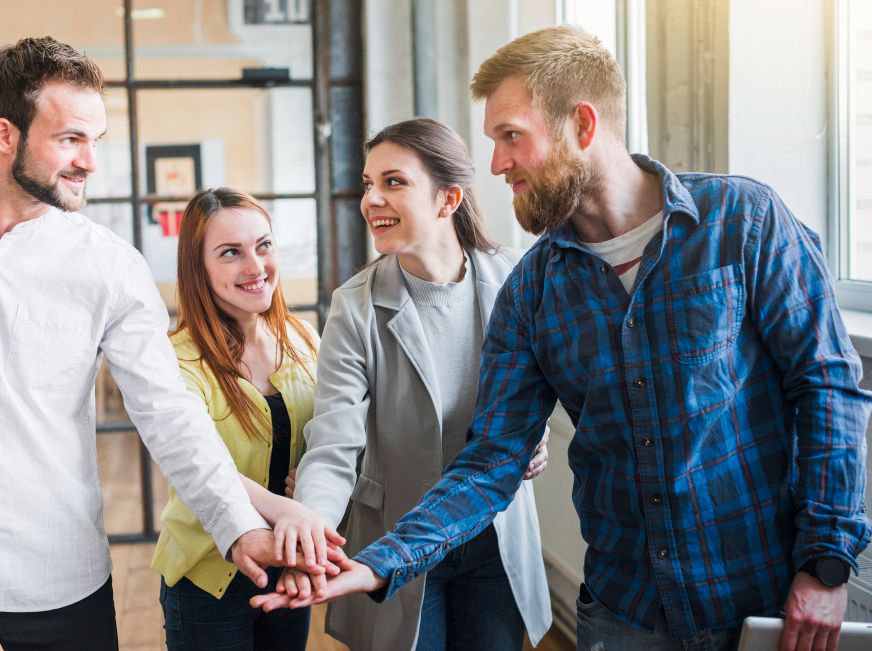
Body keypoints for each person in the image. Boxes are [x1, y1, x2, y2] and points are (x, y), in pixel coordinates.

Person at [253, 25, 872, 651]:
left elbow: (827, 387)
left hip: (762, 597)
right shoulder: (531, 290)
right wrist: (380, 562)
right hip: (625, 611)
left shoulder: (743, 221)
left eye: (511, 136)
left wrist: (826, 562)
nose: (497, 164)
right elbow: (493, 460)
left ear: (582, 123)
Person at [0, 38, 339, 651]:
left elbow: (169, 416)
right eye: (71, 139)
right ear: (4, 133)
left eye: (96, 140)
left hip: (58, 580)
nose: (90, 161)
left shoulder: (112, 267)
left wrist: (235, 527)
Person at [268, 118, 553, 651]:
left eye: (393, 182)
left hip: (495, 536)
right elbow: (333, 445)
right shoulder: (355, 306)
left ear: (449, 199)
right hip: (395, 537)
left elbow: (544, 385)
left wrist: (532, 437)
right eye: (368, 183)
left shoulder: (516, 277)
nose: (371, 199)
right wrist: (311, 532)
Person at [152, 188, 325, 651]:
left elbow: (335, 434)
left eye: (263, 245)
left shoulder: (304, 340)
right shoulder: (175, 358)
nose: (255, 266)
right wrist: (285, 508)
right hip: (208, 577)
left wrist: (312, 485)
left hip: (290, 564)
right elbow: (198, 462)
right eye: (231, 252)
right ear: (198, 268)